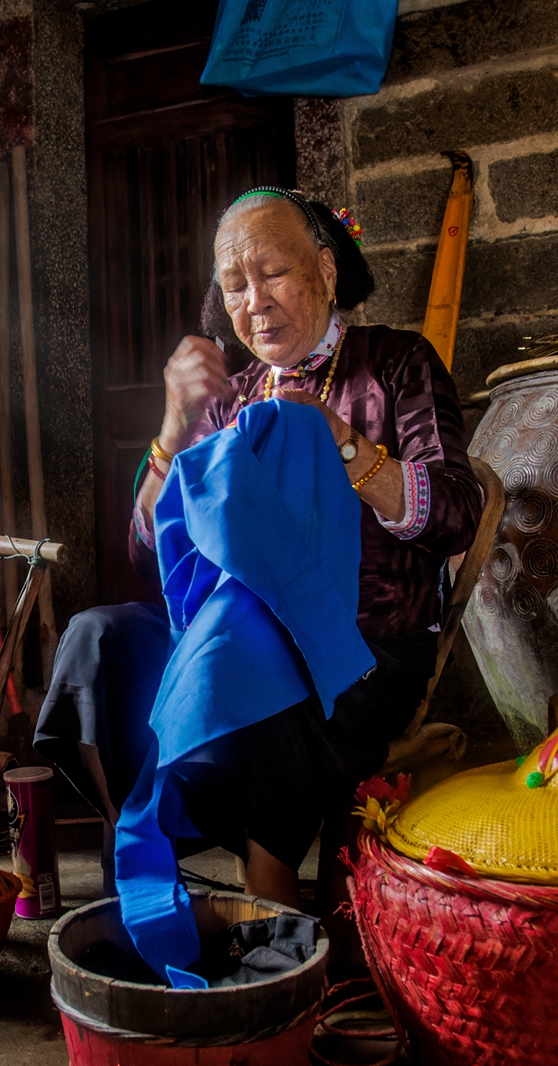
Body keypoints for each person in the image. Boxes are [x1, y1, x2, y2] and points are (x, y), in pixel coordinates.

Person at [35, 187, 484, 909]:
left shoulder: (395, 365)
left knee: (261, 652)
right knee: (98, 641)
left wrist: (342, 443)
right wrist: (175, 422)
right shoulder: (227, 397)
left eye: (271, 272)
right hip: (222, 635)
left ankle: (268, 903)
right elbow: (149, 549)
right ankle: (145, 862)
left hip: (365, 646)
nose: (254, 301)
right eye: (235, 285)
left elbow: (457, 514)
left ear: (327, 272)